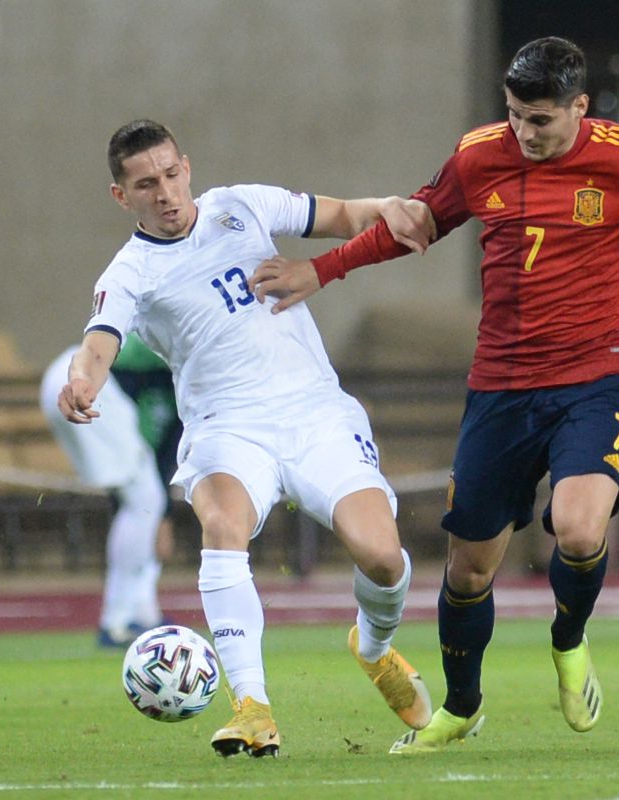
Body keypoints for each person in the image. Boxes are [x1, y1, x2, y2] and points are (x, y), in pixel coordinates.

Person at [249, 37, 619, 754]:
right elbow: (415, 224)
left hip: (600, 374)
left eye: (540, 120)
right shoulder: (480, 155)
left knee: (575, 527)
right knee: (471, 566)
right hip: (503, 383)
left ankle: (568, 640)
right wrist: (325, 270)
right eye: (513, 117)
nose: (524, 135)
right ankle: (463, 706)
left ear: (580, 106)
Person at [58, 119, 437, 759]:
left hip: (317, 413)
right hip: (225, 428)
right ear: (121, 196)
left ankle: (373, 649)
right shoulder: (129, 272)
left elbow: (345, 214)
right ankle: (252, 707)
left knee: (381, 557)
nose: (167, 193)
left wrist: (390, 208)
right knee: (224, 528)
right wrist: (80, 380)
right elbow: (100, 341)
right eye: (147, 184)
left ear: (187, 165)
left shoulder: (243, 205)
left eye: (173, 174)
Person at [41, 344, 167, 647]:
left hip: (62, 374)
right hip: (88, 380)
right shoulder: (192, 354)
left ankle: (140, 613)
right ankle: (120, 620)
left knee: (142, 498)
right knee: (145, 500)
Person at [110, 332, 185, 561]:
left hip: (175, 365)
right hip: (128, 365)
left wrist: (165, 513)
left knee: (148, 482)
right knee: (131, 475)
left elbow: (170, 451)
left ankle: (152, 529)